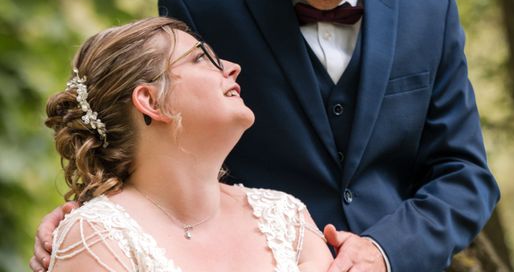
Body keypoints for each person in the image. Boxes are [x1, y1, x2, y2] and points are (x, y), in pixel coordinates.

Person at [33, 0, 499, 271]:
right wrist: (99, 216)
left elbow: (465, 173)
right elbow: (161, 141)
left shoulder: (430, 12)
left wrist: (388, 250)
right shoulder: (199, 3)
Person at [40, 17, 332, 271]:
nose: (232, 68)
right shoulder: (97, 235)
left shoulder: (286, 217)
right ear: (151, 101)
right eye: (200, 58)